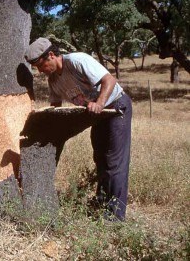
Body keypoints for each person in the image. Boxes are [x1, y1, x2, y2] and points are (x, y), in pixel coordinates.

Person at [24, 37, 132, 221]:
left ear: (51, 55)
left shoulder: (77, 61)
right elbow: (55, 108)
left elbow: (109, 80)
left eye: (40, 65)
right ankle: (101, 204)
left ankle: (115, 218)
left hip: (115, 108)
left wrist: (99, 103)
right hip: (96, 115)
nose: (41, 71)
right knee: (100, 159)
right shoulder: (53, 81)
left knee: (114, 163)